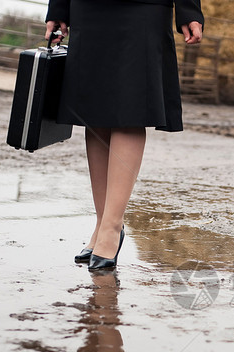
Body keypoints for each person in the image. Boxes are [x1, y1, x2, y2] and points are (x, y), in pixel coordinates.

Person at [44, 0, 203, 271]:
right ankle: (103, 223)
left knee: (132, 107)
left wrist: (189, 9)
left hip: (143, 8)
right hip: (89, 9)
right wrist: (59, 7)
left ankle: (112, 225)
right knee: (94, 112)